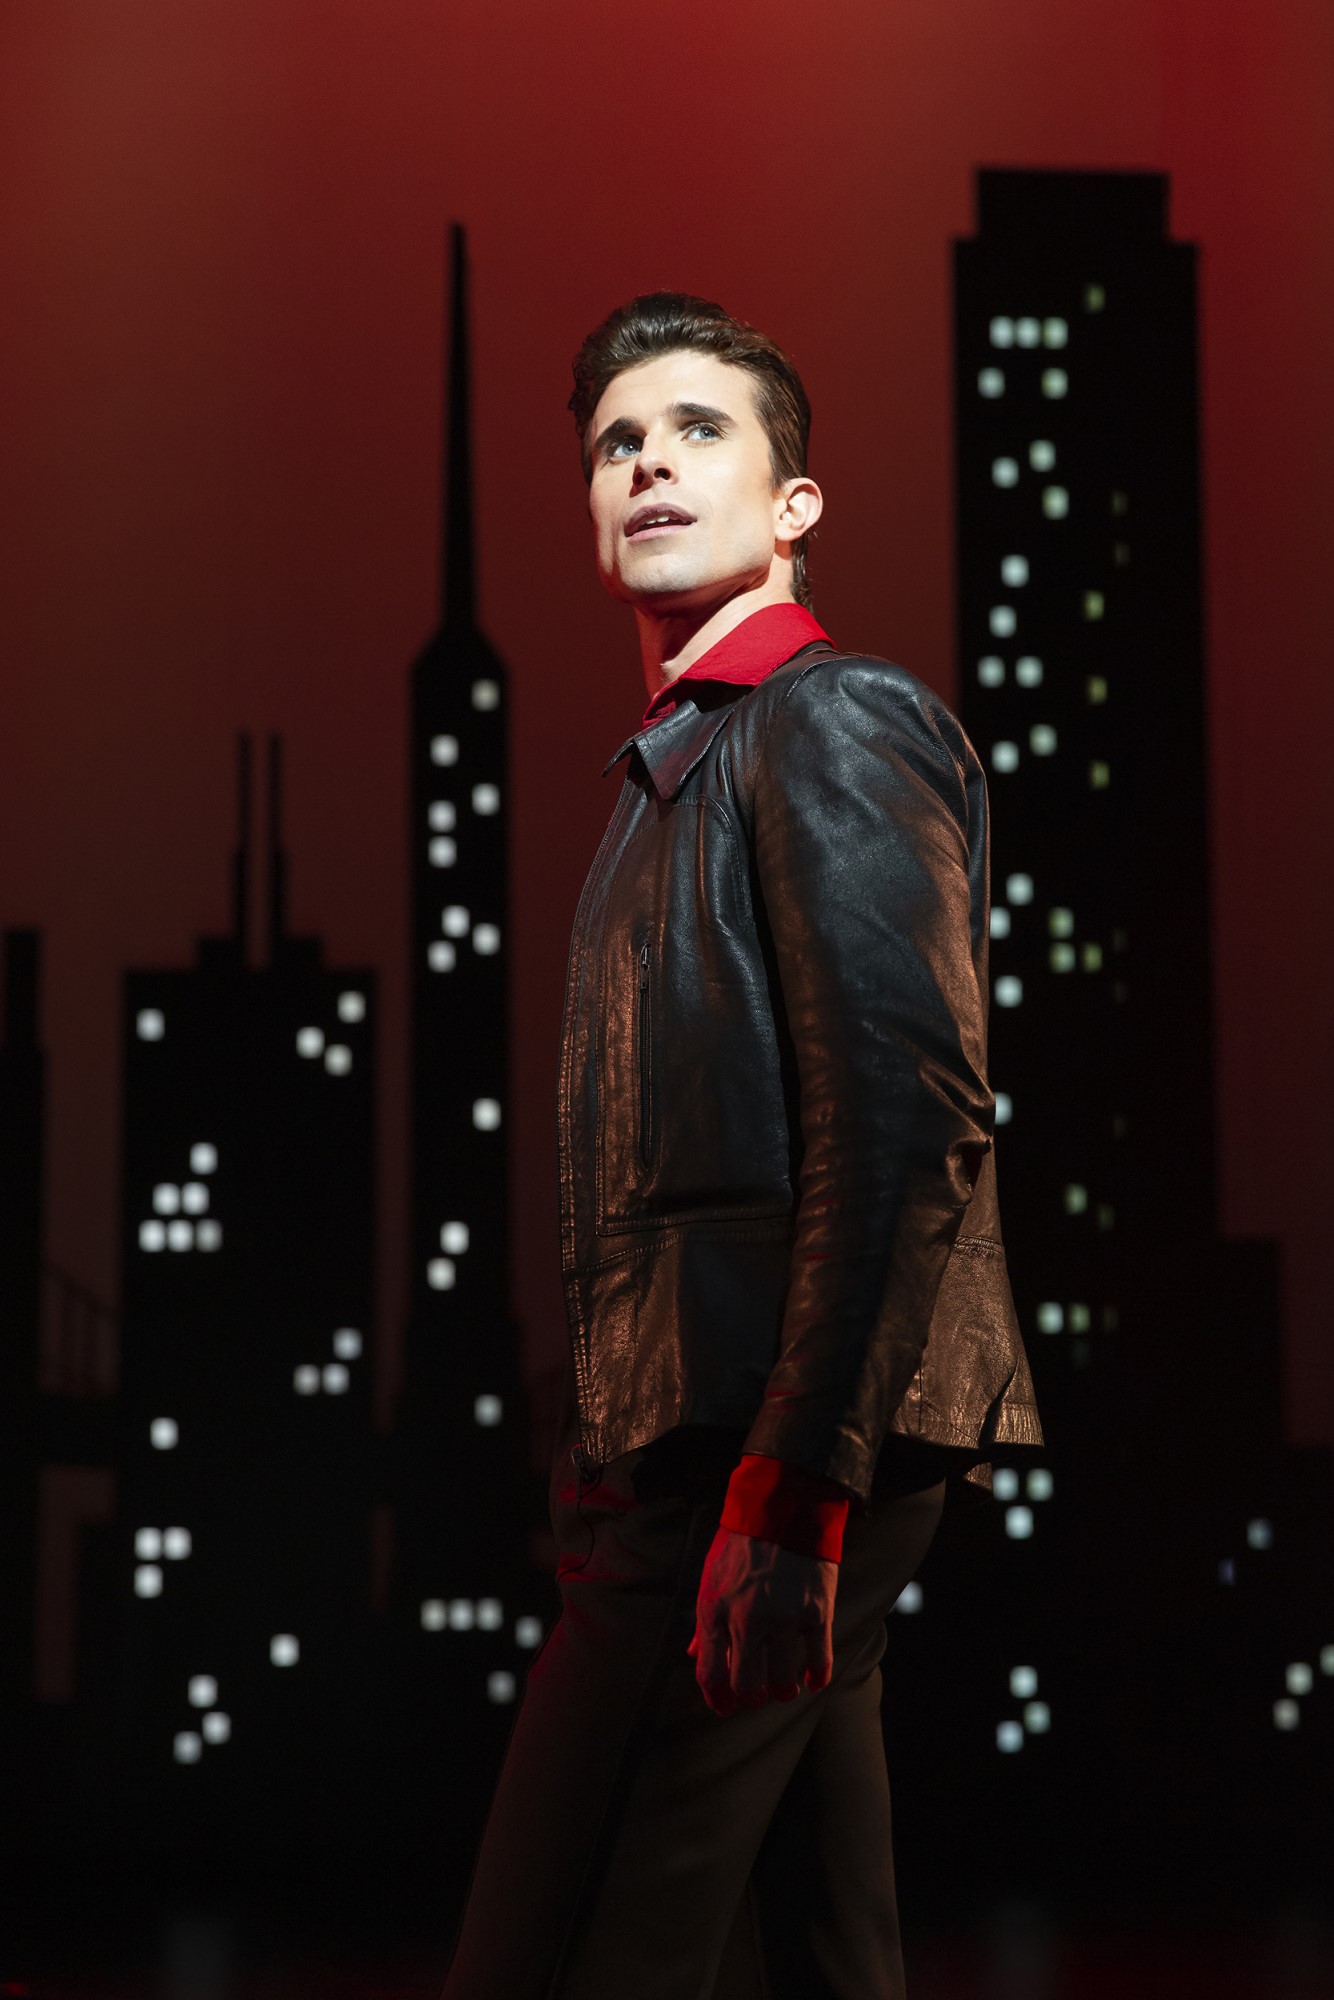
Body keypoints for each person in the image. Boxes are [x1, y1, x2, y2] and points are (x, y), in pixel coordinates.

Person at [438, 293, 1042, 2000]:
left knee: (558, 1958)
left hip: (751, 1443)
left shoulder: (824, 720)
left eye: (697, 430)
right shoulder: (678, 771)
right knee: (818, 1950)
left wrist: (788, 1483)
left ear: (793, 505)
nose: (646, 464)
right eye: (615, 443)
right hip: (716, 1435)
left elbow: (904, 1118)